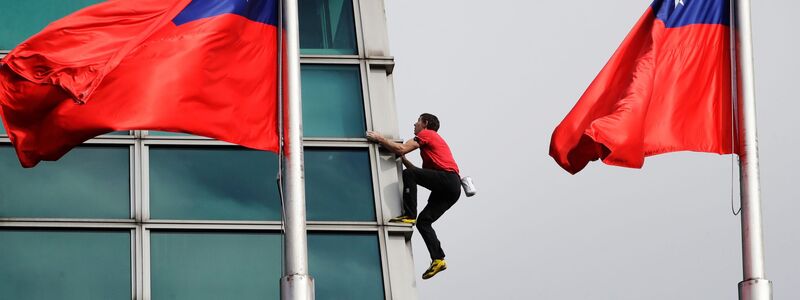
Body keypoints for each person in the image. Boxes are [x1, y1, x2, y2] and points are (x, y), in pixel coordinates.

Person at [366, 113, 461, 280]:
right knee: (424, 222)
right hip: (451, 188)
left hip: (448, 180)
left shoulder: (427, 134)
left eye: (417, 121)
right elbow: (415, 170)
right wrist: (401, 158)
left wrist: (380, 138)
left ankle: (409, 215)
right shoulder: (432, 144)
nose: (414, 124)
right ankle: (438, 259)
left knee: (409, 175)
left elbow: (402, 150)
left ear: (425, 123)